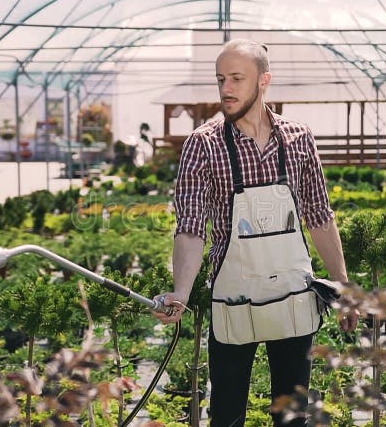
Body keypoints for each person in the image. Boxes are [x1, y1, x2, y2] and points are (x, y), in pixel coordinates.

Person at [153, 38, 357, 427]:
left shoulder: (298, 138)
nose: (226, 89)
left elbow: (319, 216)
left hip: (293, 295)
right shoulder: (204, 144)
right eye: (220, 79)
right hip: (234, 296)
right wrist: (180, 292)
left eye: (236, 78)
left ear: (264, 81)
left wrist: (342, 286)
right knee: (227, 415)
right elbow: (191, 228)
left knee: (292, 415)